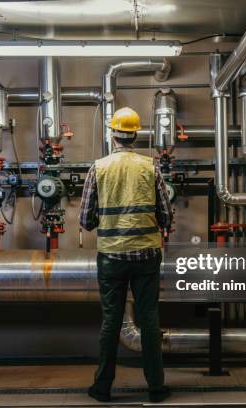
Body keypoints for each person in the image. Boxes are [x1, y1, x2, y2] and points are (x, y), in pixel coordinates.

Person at [79, 106, 173, 403]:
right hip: (146, 256)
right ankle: (156, 388)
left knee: (111, 321)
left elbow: (85, 219)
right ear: (136, 135)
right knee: (149, 321)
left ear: (113, 135)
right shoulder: (151, 167)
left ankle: (102, 388)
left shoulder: (99, 167)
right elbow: (167, 216)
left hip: (112, 257)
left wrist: (105, 221)